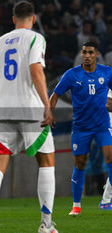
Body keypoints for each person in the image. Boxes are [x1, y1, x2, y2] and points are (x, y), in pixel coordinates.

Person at [0, 2, 58, 233]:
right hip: (31, 108)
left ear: (13, 19)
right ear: (33, 19)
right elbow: (36, 70)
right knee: (46, 161)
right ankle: (45, 225)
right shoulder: (36, 38)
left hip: (5, 110)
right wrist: (47, 105)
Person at [50, 41, 112, 215]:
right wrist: (49, 113)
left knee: (110, 156)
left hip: (102, 126)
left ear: (97, 54)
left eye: (90, 52)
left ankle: (108, 200)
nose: (86, 55)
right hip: (81, 128)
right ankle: (76, 205)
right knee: (80, 163)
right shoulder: (72, 75)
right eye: (84, 52)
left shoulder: (107, 73)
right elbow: (55, 95)